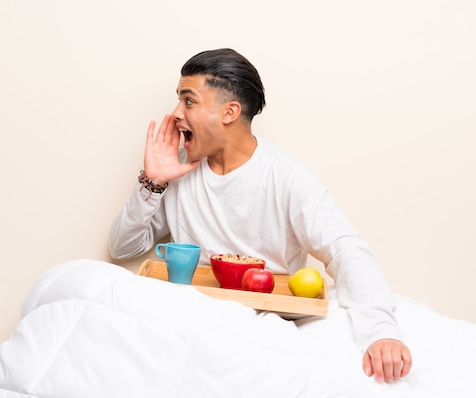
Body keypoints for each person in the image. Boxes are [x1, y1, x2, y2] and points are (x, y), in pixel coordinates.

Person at [109, 48, 412, 383]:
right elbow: (123, 247)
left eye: (188, 101)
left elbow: (345, 248)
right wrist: (153, 182)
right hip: (193, 321)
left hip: (268, 328)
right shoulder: (179, 170)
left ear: (229, 112)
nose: (176, 114)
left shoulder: (286, 176)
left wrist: (382, 331)